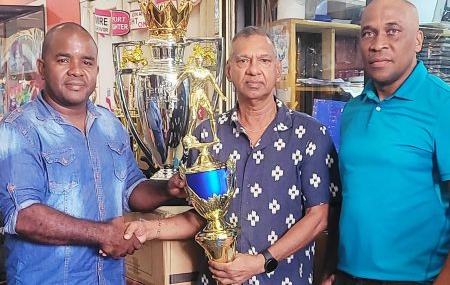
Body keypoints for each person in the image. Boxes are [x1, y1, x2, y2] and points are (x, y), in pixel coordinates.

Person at [124, 26, 341, 285]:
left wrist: (262, 261)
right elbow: (201, 216)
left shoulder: (310, 134)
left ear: (277, 69)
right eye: (242, 60)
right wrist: (150, 228)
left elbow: (318, 216)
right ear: (228, 71)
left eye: (263, 60)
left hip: (284, 278)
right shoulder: (206, 136)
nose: (253, 69)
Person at [0, 22, 186, 284]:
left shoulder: (110, 125)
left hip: (107, 278)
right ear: (42, 67)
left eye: (86, 62)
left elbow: (131, 190)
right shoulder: (19, 129)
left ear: (97, 70)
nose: (76, 70)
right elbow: (24, 216)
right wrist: (102, 234)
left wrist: (167, 188)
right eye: (64, 59)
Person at [331, 0, 450, 285]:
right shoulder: (353, 110)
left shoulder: (442, 105)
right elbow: (350, 198)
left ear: (418, 40)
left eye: (393, 31)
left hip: (416, 278)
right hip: (350, 275)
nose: (377, 43)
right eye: (368, 32)